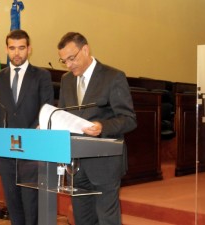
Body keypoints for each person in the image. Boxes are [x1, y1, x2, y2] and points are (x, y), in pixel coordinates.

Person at [57, 32, 137, 225]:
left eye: (71, 58)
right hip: (75, 165)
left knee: (107, 220)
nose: (68, 65)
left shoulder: (113, 77)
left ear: (85, 49)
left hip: (105, 164)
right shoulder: (66, 80)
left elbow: (129, 119)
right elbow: (63, 115)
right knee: (83, 219)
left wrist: (103, 126)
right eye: (63, 61)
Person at [0, 29, 54, 225]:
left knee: (31, 205)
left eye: (21, 48)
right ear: (6, 49)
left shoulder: (41, 76)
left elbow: (47, 109)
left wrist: (32, 136)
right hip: (6, 153)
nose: (17, 53)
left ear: (29, 49)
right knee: (13, 204)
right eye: (12, 48)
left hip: (32, 151)